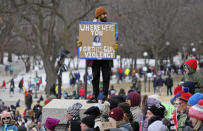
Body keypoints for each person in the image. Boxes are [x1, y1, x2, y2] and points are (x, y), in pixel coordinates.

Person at [77, 7, 118, 103]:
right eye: (104, 14)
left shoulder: (109, 28)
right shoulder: (89, 28)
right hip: (94, 57)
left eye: (106, 14)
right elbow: (85, 39)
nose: (106, 16)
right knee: (95, 77)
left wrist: (115, 45)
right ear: (98, 16)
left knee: (106, 77)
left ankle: (104, 96)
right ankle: (95, 96)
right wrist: (81, 44)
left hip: (106, 57)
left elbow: (114, 38)